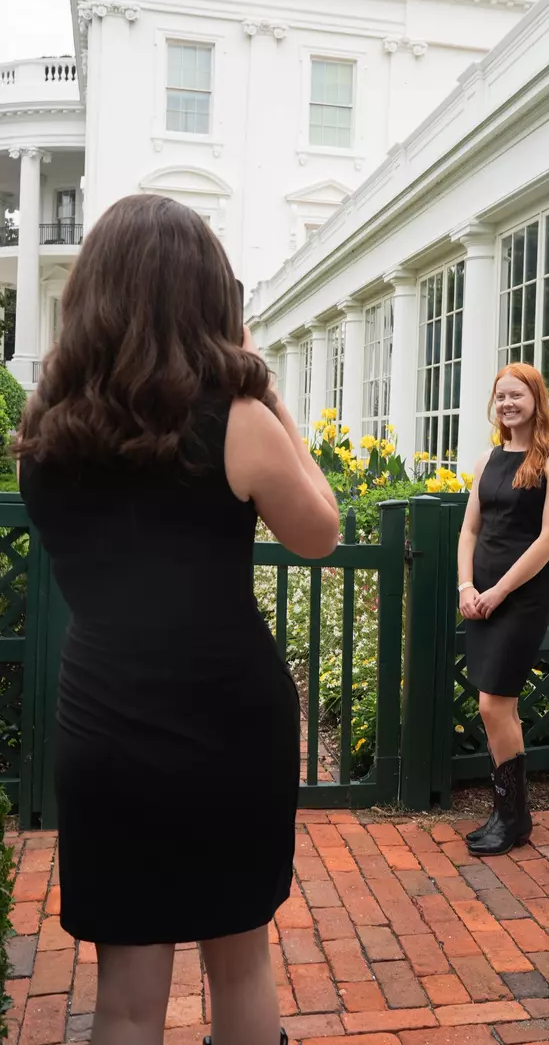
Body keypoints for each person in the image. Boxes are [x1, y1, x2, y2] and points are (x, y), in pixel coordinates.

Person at [15, 194, 340, 1045]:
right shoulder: (236, 422)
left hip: (104, 724)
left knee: (125, 993)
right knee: (239, 962)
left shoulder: (45, 430)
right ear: (205, 298)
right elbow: (321, 533)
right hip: (228, 726)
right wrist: (268, 396)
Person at [457, 363, 549, 857]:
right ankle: (510, 815)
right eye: (501, 396)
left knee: (494, 704)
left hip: (519, 598)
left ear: (536, 400)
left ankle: (513, 817)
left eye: (517, 396)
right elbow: (469, 530)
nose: (508, 404)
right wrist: (466, 584)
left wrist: (498, 591)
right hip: (480, 597)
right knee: (496, 708)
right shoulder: (489, 458)